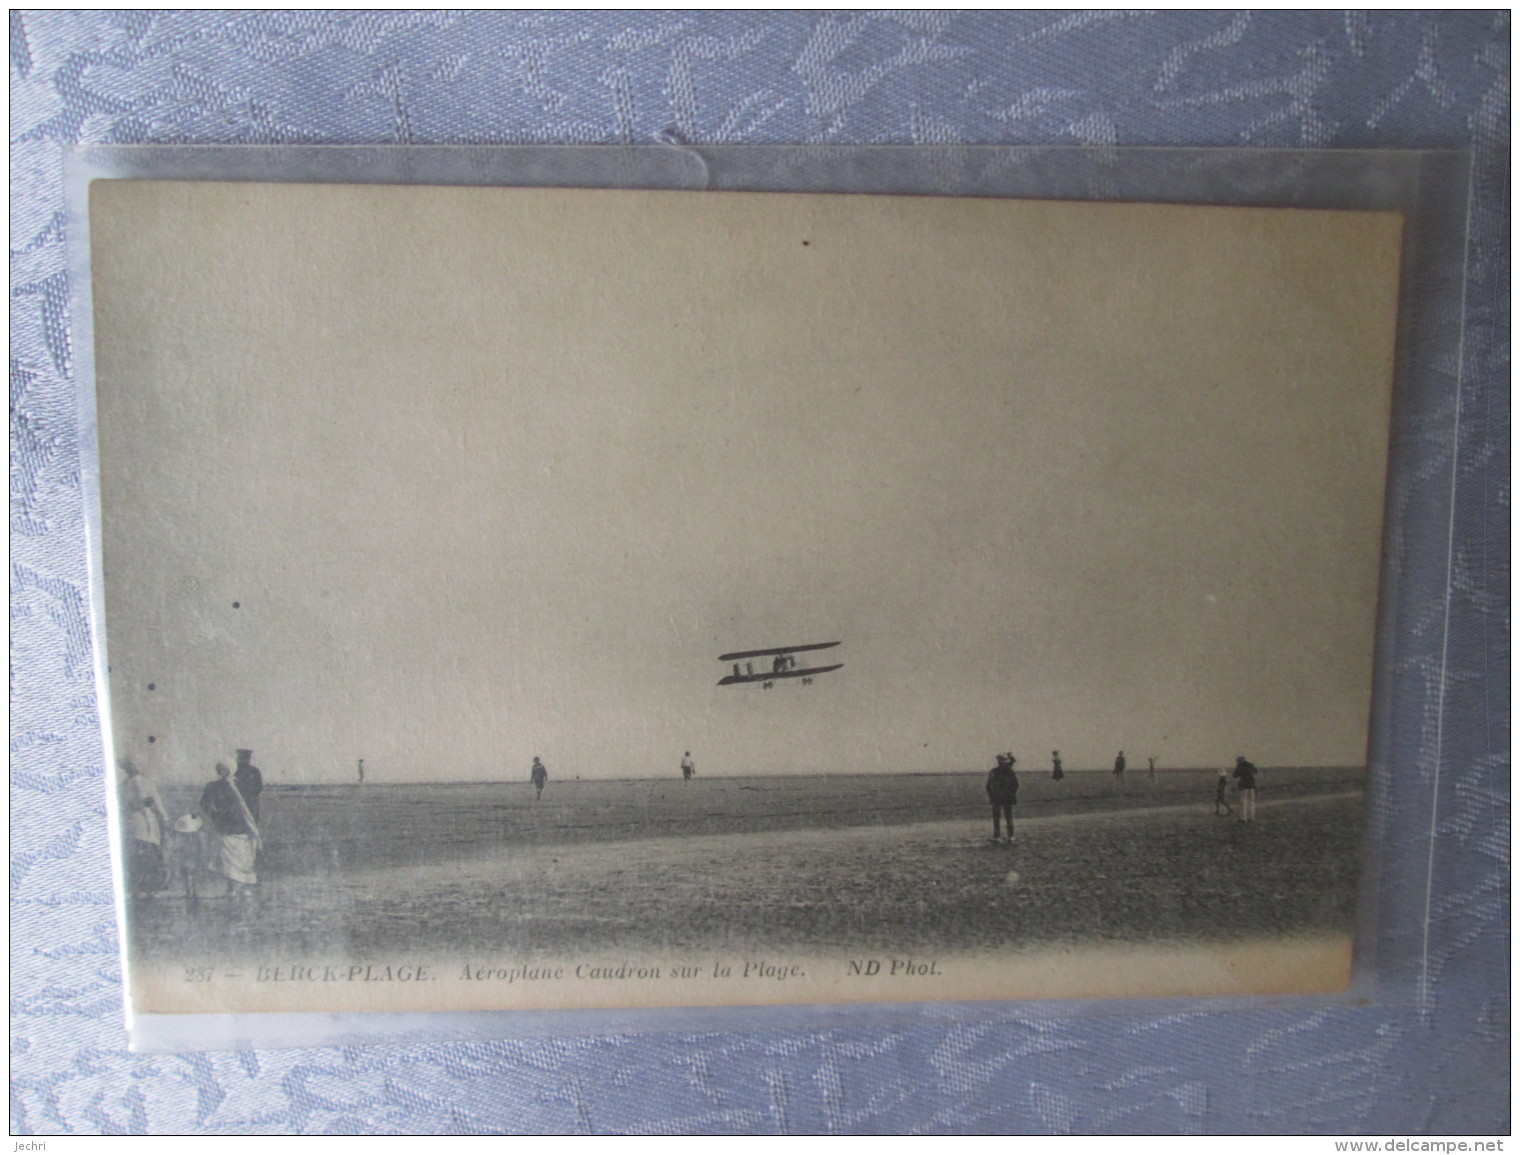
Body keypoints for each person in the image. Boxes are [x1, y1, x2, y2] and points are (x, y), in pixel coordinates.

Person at [200, 762, 260, 897]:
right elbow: (205, 804)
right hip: (228, 827)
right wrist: (216, 815)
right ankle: (233, 888)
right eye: (220, 769)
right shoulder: (214, 786)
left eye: (224, 768)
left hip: (240, 826)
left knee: (242, 858)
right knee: (230, 859)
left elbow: (251, 803)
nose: (222, 771)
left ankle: (241, 887)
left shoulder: (240, 784)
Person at [121, 760, 169, 900]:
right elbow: (158, 803)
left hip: (134, 821)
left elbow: (123, 806)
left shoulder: (124, 785)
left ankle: (137, 888)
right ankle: (151, 888)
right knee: (151, 855)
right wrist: (165, 818)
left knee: (137, 855)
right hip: (147, 820)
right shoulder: (148, 783)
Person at [169, 812, 205, 900]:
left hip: (186, 855)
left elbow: (178, 847)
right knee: (192, 874)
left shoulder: (183, 837)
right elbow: (200, 846)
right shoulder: (196, 836)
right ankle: (193, 891)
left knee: (187, 874)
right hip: (193, 855)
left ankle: (189, 891)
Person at [985, 754, 1019, 844]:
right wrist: (1011, 793)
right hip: (1007, 797)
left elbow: (988, 786)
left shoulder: (994, 771)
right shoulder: (1010, 772)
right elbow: (1015, 785)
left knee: (997, 817)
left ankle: (997, 836)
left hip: (997, 797)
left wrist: (991, 795)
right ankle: (1011, 836)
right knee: (1009, 816)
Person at [234, 748, 264, 822]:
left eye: (246, 757)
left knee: (252, 822)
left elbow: (259, 787)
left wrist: (250, 794)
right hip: (236, 802)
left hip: (251, 802)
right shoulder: (233, 770)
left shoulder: (254, 771)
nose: (243, 760)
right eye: (241, 757)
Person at [1232, 755, 1258, 823]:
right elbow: (1255, 772)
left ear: (1239, 761)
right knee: (1251, 801)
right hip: (1251, 785)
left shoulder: (1240, 765)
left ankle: (1242, 818)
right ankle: (1251, 817)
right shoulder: (1251, 764)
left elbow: (1234, 775)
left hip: (1243, 785)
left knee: (1243, 802)